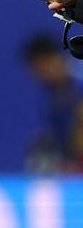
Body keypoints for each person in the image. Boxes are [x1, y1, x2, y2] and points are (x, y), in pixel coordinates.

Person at [22, 34, 83, 172]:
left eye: (41, 66)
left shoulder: (79, 84)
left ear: (55, 58)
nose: (40, 73)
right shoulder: (50, 94)